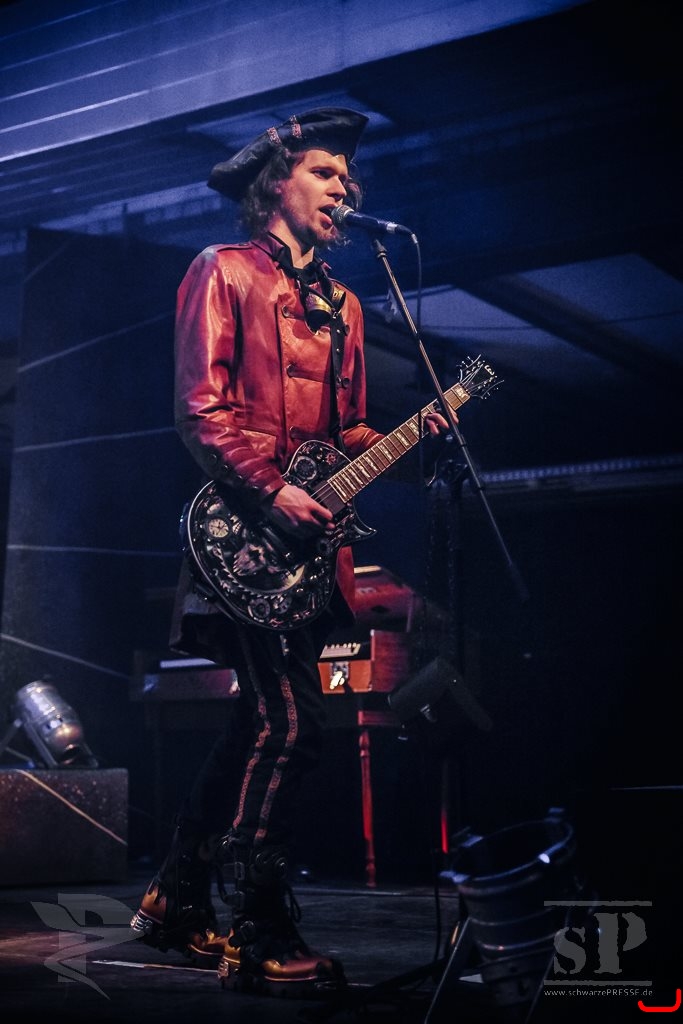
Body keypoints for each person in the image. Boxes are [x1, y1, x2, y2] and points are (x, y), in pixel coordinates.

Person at [130, 107, 448, 997]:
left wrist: (407, 439)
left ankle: (175, 896)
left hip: (309, 553)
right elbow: (201, 412)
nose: (344, 186)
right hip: (244, 530)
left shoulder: (343, 304)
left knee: (258, 723)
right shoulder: (222, 269)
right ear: (276, 184)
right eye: (324, 171)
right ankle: (258, 927)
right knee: (293, 722)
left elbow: (343, 434)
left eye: (348, 175)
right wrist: (271, 491)